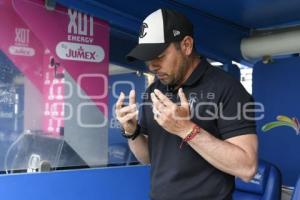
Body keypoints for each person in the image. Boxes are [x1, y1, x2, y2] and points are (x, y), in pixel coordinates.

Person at [115, 8, 258, 200]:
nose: (151, 65)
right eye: (148, 57)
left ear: (187, 45)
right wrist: (132, 132)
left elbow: (247, 167)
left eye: (159, 55)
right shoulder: (155, 90)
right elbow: (149, 157)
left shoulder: (227, 88)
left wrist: (186, 129)